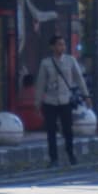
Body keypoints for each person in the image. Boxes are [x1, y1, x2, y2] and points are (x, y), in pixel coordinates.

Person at [34, 34, 90, 168]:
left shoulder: (70, 61)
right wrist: (37, 103)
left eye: (63, 44)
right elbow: (41, 84)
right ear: (52, 47)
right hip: (50, 101)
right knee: (51, 131)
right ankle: (53, 158)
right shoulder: (45, 63)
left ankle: (71, 155)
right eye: (59, 44)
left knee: (68, 130)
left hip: (66, 100)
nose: (62, 47)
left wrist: (86, 96)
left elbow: (79, 79)